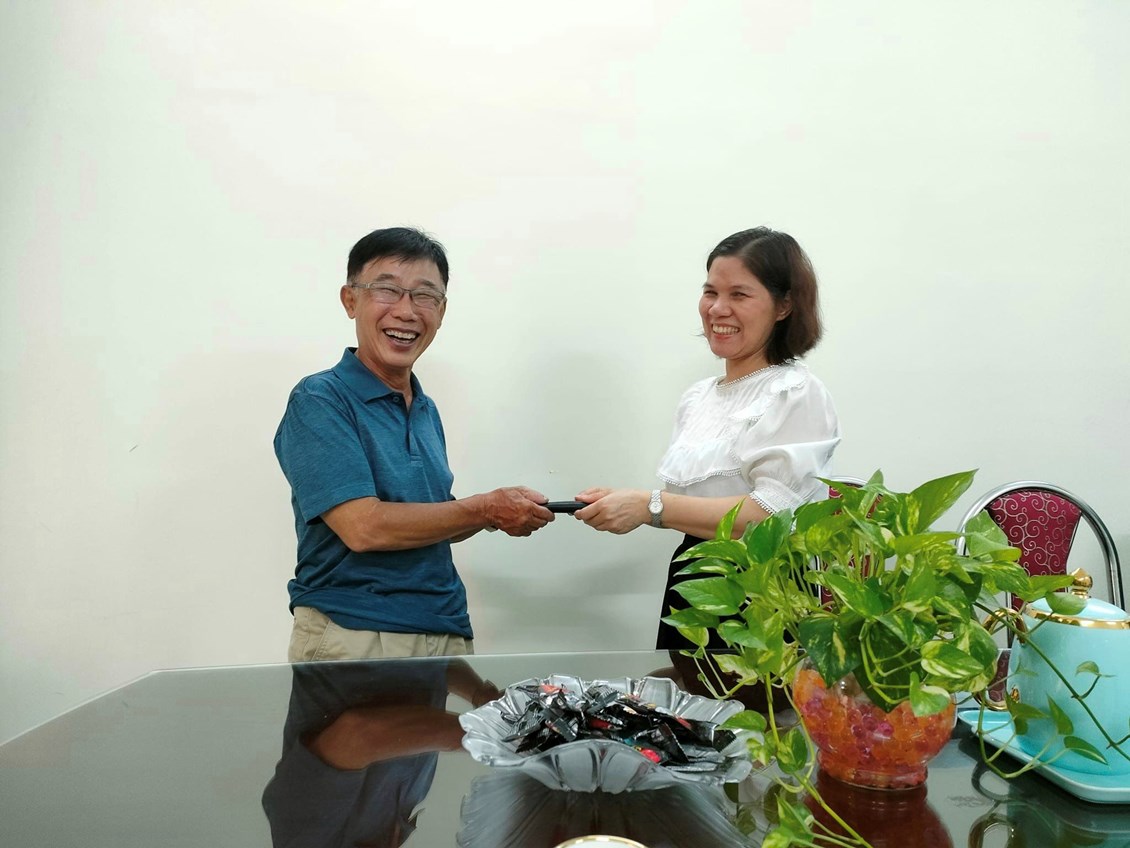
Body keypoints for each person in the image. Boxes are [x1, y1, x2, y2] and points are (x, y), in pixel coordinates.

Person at [274, 227, 554, 662]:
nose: (406, 311)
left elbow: (430, 521)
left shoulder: (424, 408)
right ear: (350, 300)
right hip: (357, 631)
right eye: (387, 290)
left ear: (442, 311)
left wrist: (503, 512)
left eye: (425, 296)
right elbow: (363, 527)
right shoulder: (320, 399)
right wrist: (485, 509)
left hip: (445, 629)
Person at [574, 227, 841, 649]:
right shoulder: (698, 397)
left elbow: (770, 515)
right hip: (691, 578)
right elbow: (699, 504)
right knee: (683, 689)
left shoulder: (794, 391)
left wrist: (649, 505)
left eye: (739, 294)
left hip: (761, 590)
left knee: (745, 694)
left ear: (784, 306)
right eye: (710, 292)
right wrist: (627, 502)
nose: (718, 308)